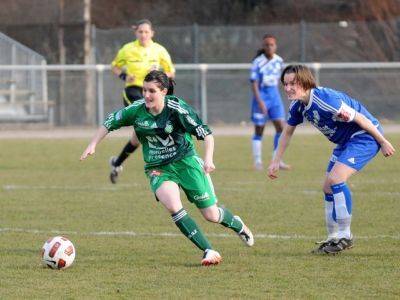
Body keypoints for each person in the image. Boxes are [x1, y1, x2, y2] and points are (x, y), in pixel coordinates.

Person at [80, 70, 254, 266]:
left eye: (151, 91)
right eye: (144, 90)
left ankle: (237, 224)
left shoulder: (177, 109)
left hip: (186, 163)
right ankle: (209, 250)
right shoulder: (136, 110)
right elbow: (110, 122)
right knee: (173, 206)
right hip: (158, 167)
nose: (146, 95)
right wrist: (93, 144)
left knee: (212, 215)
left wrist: (208, 159)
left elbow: (206, 134)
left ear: (163, 91)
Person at [267, 64, 395, 254]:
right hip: (346, 142)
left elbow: (361, 119)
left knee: (336, 179)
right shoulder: (298, 106)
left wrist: (382, 141)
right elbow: (287, 132)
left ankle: (345, 235)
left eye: (292, 83)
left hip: (364, 136)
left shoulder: (325, 100)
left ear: (304, 81)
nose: (287, 89)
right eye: (285, 84)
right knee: (327, 186)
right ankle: (333, 238)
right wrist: (276, 160)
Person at [109, 19, 176, 184]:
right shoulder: (128, 49)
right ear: (136, 33)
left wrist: (159, 75)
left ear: (152, 33)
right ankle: (165, 165)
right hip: (133, 91)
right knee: (152, 124)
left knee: (138, 137)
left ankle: (116, 164)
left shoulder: (159, 50)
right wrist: (124, 76)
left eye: (146, 32)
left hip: (153, 93)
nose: (143, 35)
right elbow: (115, 66)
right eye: (140, 32)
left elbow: (170, 72)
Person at [249, 34, 290, 171]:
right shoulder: (258, 62)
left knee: (281, 128)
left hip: (275, 97)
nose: (269, 47)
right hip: (261, 97)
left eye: (271, 45)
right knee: (259, 130)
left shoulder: (279, 61)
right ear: (263, 46)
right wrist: (260, 102)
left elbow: (283, 79)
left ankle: (276, 160)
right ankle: (258, 161)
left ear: (275, 46)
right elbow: (254, 83)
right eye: (266, 45)